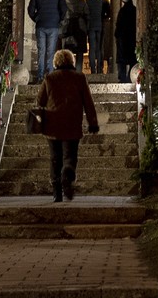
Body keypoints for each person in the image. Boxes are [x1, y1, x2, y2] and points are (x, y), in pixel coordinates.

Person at [37, 48, 99, 201]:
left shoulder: (50, 78)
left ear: (56, 62)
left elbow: (40, 101)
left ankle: (57, 193)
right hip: (72, 124)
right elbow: (88, 103)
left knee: (55, 158)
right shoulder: (79, 78)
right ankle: (67, 174)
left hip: (52, 125)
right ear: (72, 61)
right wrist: (93, 123)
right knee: (70, 156)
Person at [27, 0, 68, 81]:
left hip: (41, 26)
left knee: (41, 51)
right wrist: (59, 20)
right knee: (50, 51)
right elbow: (64, 9)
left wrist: (36, 18)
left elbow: (30, 10)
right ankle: (50, 75)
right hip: (53, 26)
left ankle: (40, 76)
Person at [84, 0, 110, 74]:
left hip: (91, 26)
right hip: (101, 26)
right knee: (100, 47)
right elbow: (109, 14)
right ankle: (100, 68)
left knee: (92, 48)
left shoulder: (87, 1)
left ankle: (93, 69)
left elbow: (85, 14)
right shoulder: (104, 1)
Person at [114, 0, 137, 83]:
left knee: (121, 60)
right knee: (132, 59)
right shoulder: (135, 10)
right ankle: (129, 77)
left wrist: (117, 35)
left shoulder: (122, 11)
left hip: (122, 39)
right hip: (132, 38)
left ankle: (122, 77)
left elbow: (118, 25)